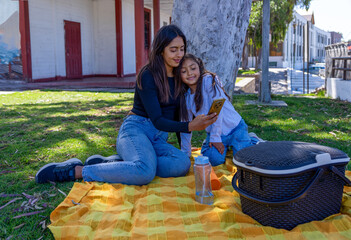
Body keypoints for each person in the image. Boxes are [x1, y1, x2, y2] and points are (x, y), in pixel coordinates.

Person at [35, 25, 218, 185]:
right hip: (136, 130)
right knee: (145, 172)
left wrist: (186, 138)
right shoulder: (148, 75)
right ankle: (75, 171)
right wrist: (190, 126)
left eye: (182, 49)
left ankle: (121, 165)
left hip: (157, 138)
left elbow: (180, 115)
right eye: (173, 50)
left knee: (182, 163)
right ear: (161, 50)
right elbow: (157, 120)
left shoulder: (180, 75)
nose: (179, 55)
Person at [176, 54, 264, 166]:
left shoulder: (209, 81)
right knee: (214, 160)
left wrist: (215, 138)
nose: (190, 73)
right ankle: (218, 144)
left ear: (199, 67)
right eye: (183, 71)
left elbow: (218, 110)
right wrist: (186, 153)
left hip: (235, 128)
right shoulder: (186, 98)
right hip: (216, 133)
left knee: (243, 160)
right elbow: (186, 125)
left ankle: (252, 140)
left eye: (193, 68)